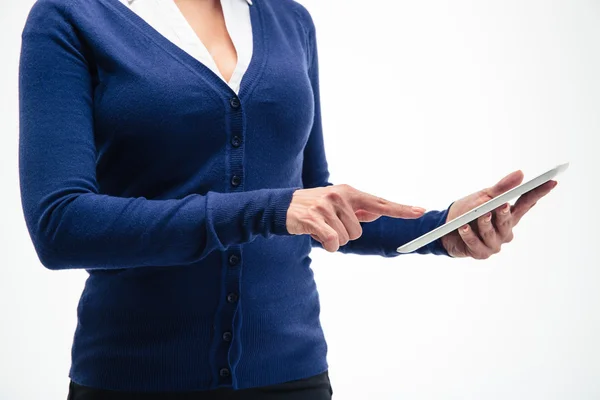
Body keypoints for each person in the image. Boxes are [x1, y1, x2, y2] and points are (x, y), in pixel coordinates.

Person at [17, 0, 557, 399]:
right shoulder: (71, 18)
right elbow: (62, 224)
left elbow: (315, 205)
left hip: (292, 378)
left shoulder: (288, 21)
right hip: (134, 380)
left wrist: (442, 232)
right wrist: (268, 209)